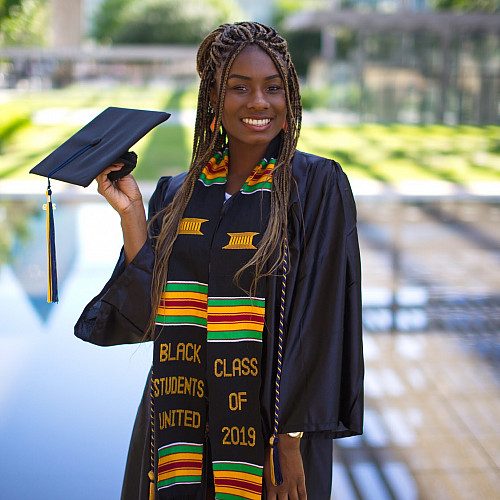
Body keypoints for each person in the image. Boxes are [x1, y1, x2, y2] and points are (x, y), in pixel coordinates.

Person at [75, 21, 363, 500]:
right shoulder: (178, 191)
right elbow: (146, 317)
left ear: (290, 99)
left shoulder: (315, 185)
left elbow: (322, 317)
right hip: (174, 431)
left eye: (274, 88)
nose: (259, 102)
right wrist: (131, 215)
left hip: (269, 435)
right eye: (239, 87)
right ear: (213, 98)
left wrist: (290, 440)